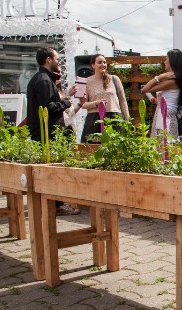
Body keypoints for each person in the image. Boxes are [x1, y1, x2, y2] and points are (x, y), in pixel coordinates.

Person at [25, 47, 80, 215]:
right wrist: (67, 102)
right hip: (48, 134)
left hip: (44, 133)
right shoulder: (43, 81)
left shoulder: (41, 78)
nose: (59, 62)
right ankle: (56, 205)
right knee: (52, 170)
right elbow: (48, 108)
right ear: (48, 60)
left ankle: (52, 204)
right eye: (56, 58)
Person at [79, 54, 130, 142]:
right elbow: (83, 104)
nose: (103, 64)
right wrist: (96, 103)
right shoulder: (85, 82)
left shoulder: (114, 79)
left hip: (114, 117)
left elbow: (122, 101)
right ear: (93, 65)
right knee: (92, 150)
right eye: (99, 62)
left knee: (115, 150)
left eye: (104, 62)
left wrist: (127, 119)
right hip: (94, 119)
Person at [141, 49, 182, 139]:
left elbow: (145, 89)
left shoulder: (172, 81)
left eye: (166, 59)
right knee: (160, 146)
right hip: (163, 114)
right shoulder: (173, 80)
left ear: (172, 62)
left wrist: (160, 77)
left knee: (164, 146)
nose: (165, 62)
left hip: (166, 116)